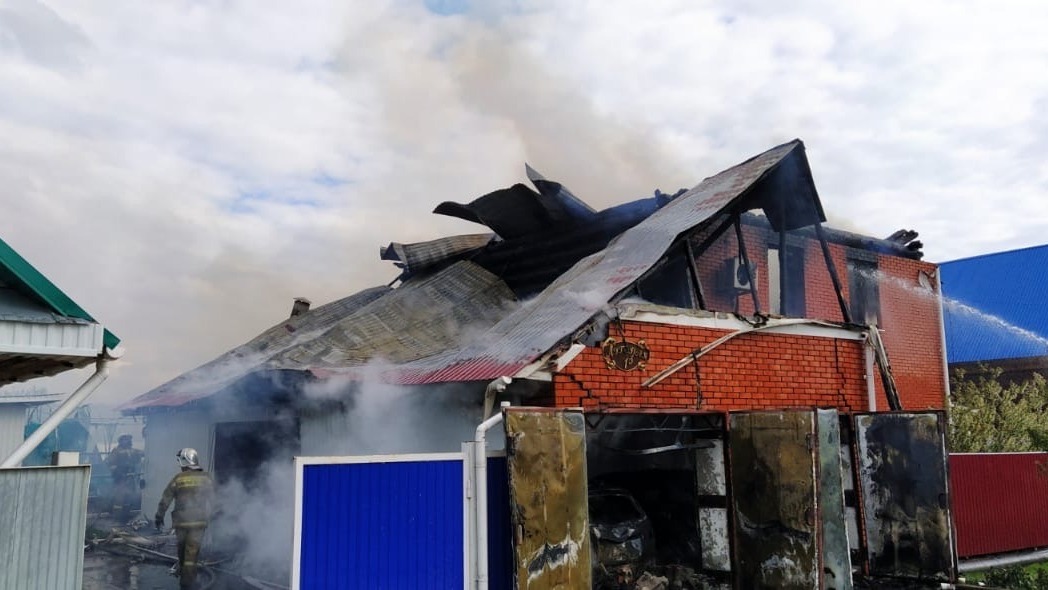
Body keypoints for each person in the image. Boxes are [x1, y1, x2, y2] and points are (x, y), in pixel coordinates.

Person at [155, 448, 215, 590]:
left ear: (185, 461)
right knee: (191, 555)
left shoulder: (178, 478)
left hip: (181, 523)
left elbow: (165, 500)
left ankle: (186, 584)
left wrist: (159, 516)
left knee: (182, 553)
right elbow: (214, 500)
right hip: (198, 523)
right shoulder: (206, 478)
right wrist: (212, 516)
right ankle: (188, 582)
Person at [106, 434, 144, 522]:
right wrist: (118, 471)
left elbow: (143, 453)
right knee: (119, 499)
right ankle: (118, 517)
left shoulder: (133, 451)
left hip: (131, 478)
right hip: (121, 478)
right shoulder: (116, 451)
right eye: (126, 440)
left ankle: (126, 515)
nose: (129, 441)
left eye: (129, 439)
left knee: (129, 497)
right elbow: (109, 463)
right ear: (121, 441)